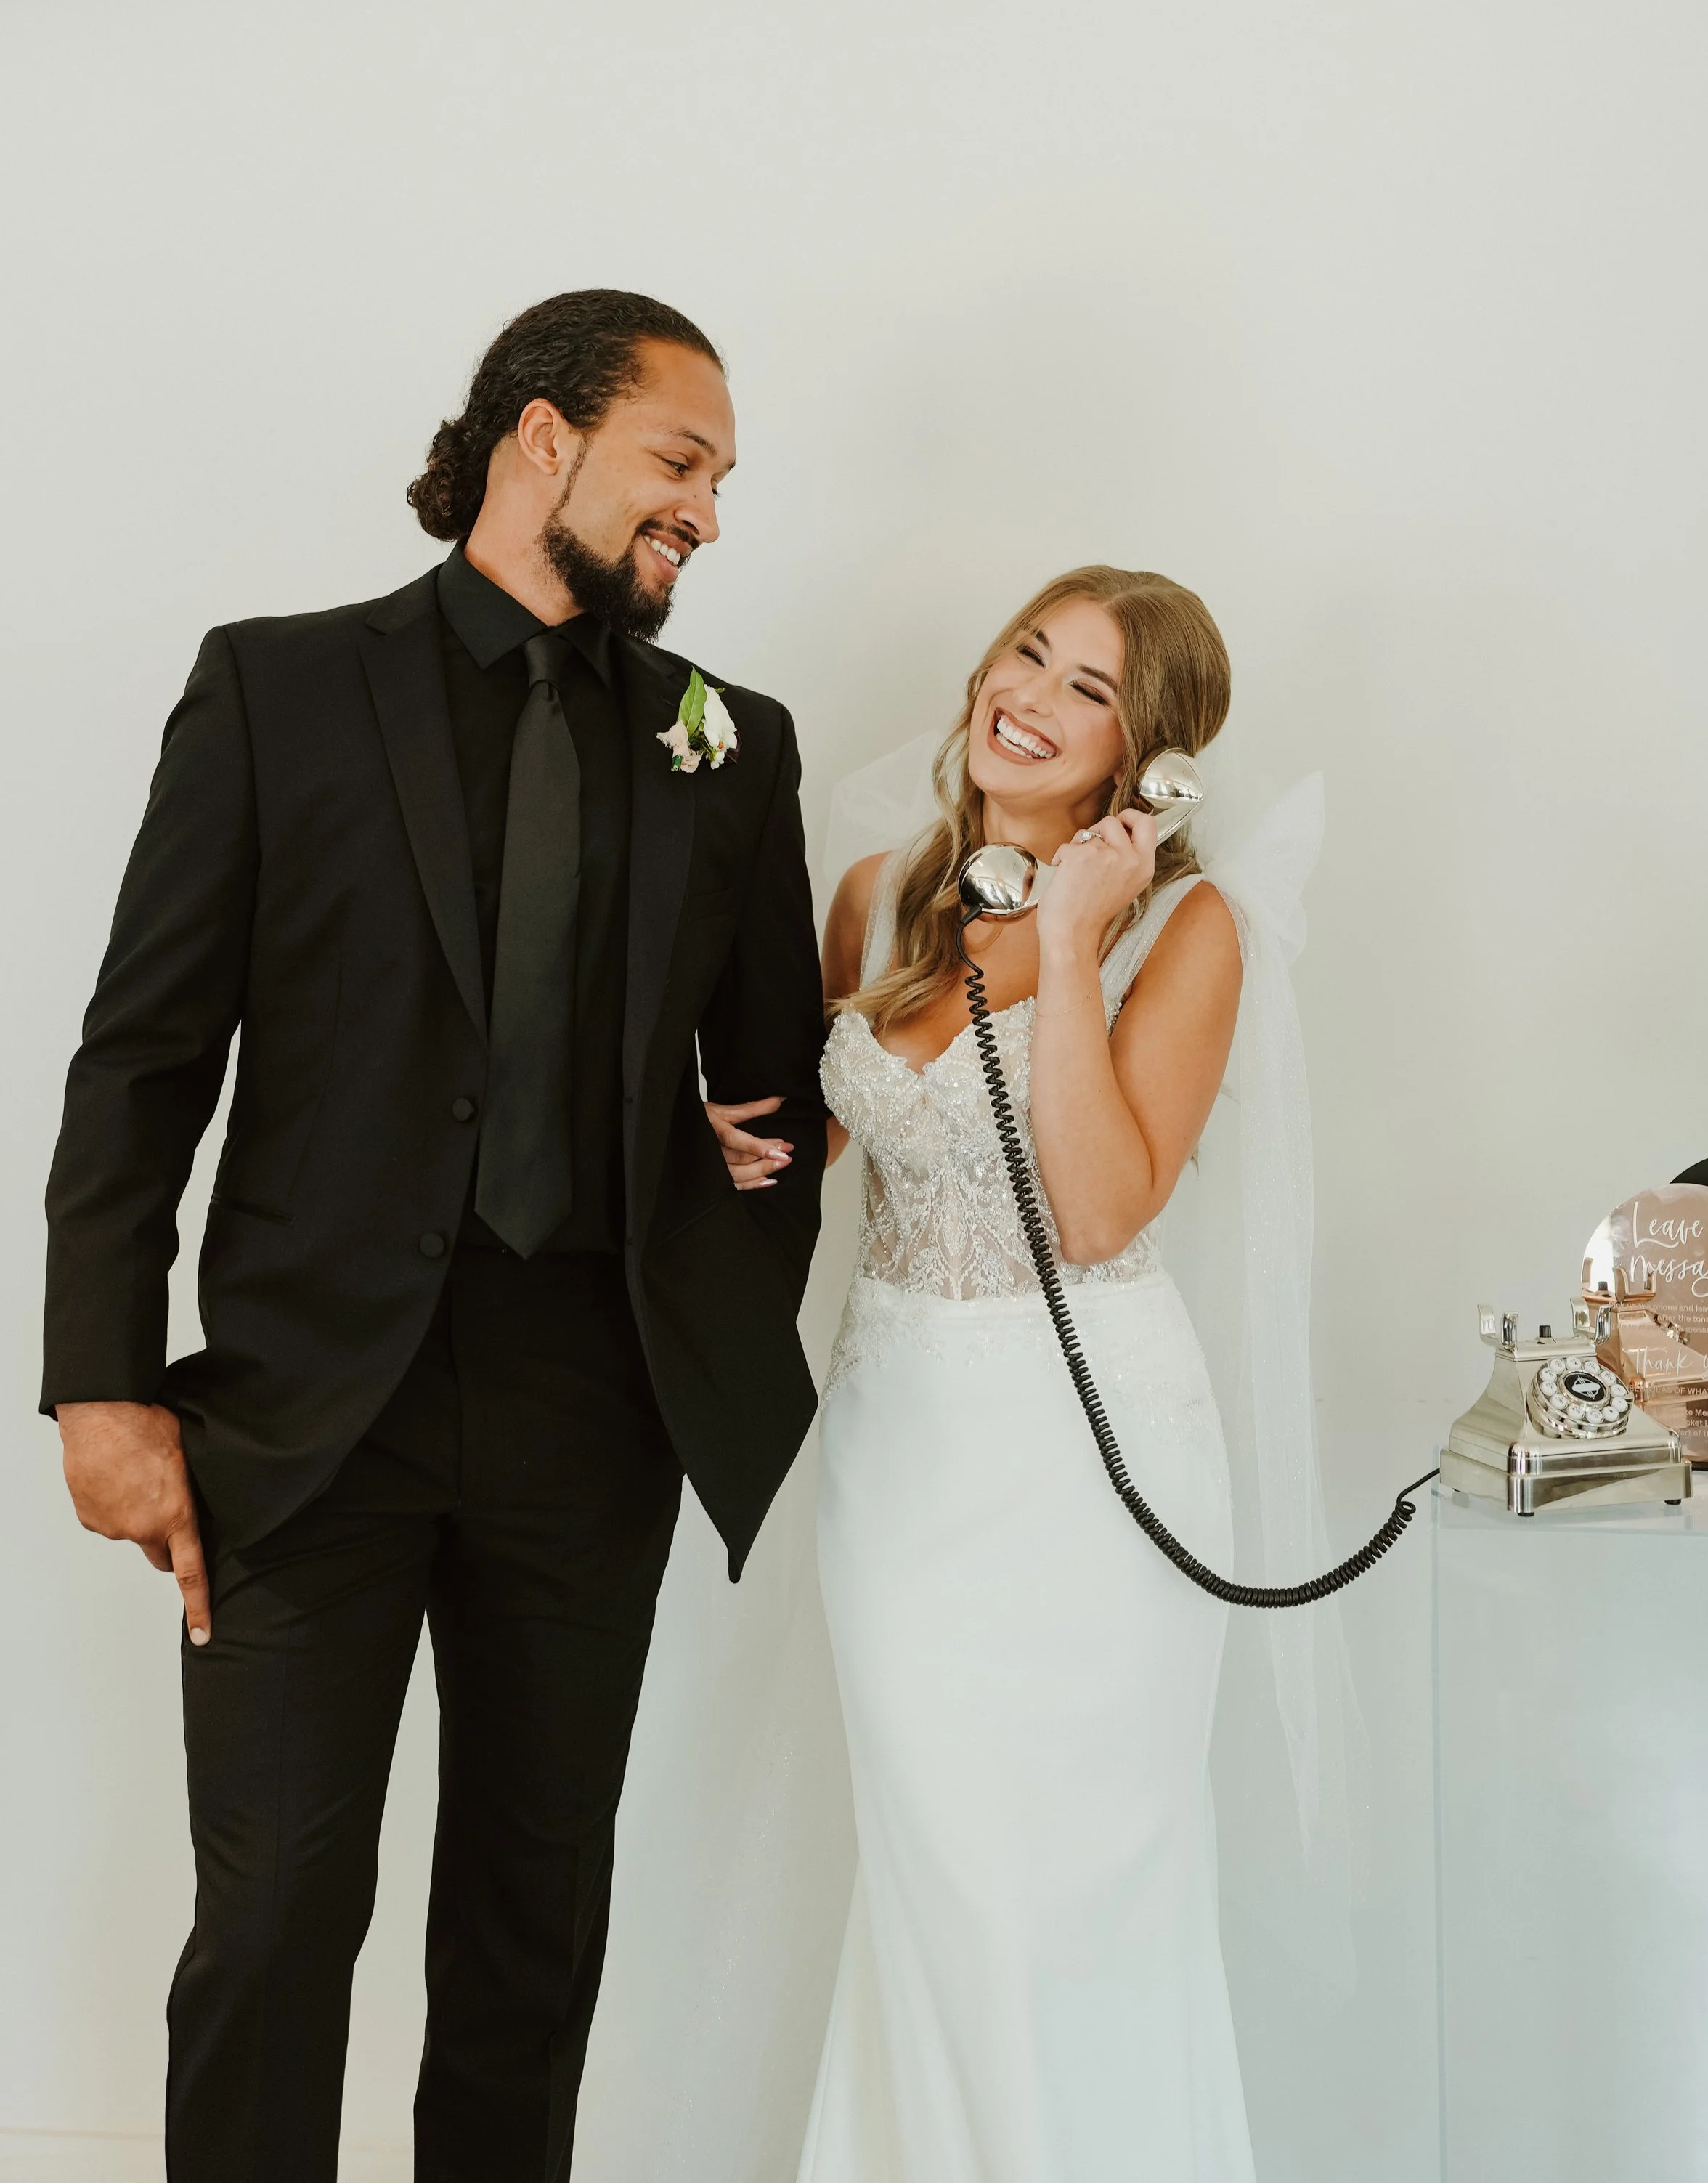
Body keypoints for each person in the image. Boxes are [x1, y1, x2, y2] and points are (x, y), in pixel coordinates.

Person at [41, 288, 827, 2183]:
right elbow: (144, 1057)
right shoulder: (276, 688)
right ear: (539, 437)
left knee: (529, 1938)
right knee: (277, 1921)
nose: (707, 513)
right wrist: (98, 1385)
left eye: (721, 480)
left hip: (591, 1411)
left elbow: (776, 1098)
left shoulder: (729, 739)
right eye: (680, 461)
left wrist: (717, 1197)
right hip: (306, 1415)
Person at [711, 564, 1267, 2179]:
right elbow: (814, 1145)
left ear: (1142, 761)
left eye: (1087, 689)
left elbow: (1096, 1207)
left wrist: (1080, 937)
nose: (1026, 694)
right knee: (939, 1869)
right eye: (1027, 652)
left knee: (1078, 1884)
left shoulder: (1184, 923)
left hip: (1092, 1460)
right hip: (902, 1451)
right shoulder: (884, 893)